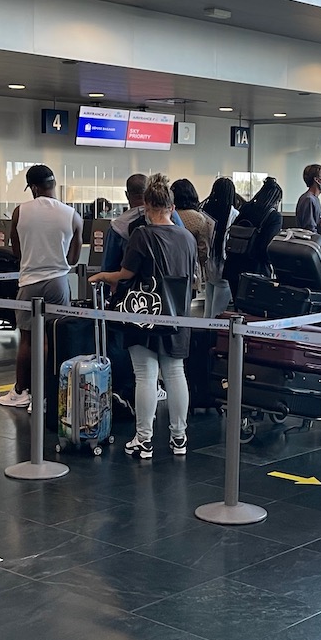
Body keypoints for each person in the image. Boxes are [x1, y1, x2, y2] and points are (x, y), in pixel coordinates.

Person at [89, 174, 197, 459]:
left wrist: (100, 275)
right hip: (178, 315)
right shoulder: (187, 238)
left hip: (144, 313)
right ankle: (179, 438)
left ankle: (144, 440)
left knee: (145, 377)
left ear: (147, 207)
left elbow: (126, 274)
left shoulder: (143, 235)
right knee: (175, 374)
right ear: (172, 207)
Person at [0, 165, 82, 409]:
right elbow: (74, 258)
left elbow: (16, 250)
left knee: (27, 338)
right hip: (58, 282)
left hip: (29, 283)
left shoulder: (19, 212)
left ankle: (21, 392)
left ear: (33, 187)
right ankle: (48, 394)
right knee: (55, 337)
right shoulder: (71, 214)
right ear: (52, 184)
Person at [102, 174, 183, 274]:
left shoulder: (118, 226)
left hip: (135, 286)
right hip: (173, 282)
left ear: (127, 195)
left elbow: (109, 267)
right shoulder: (171, 216)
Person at [202, 177, 242, 316]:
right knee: (218, 312)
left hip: (208, 265)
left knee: (207, 308)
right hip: (223, 267)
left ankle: (204, 334)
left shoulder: (206, 212)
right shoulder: (234, 215)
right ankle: (213, 336)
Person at [172, 179, 214, 304]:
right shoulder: (199, 219)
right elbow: (203, 249)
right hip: (190, 269)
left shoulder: (169, 215)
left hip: (169, 267)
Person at [297, 163, 321, 236]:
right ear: (317, 180)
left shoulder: (315, 199)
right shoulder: (308, 200)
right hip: (313, 245)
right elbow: (310, 230)